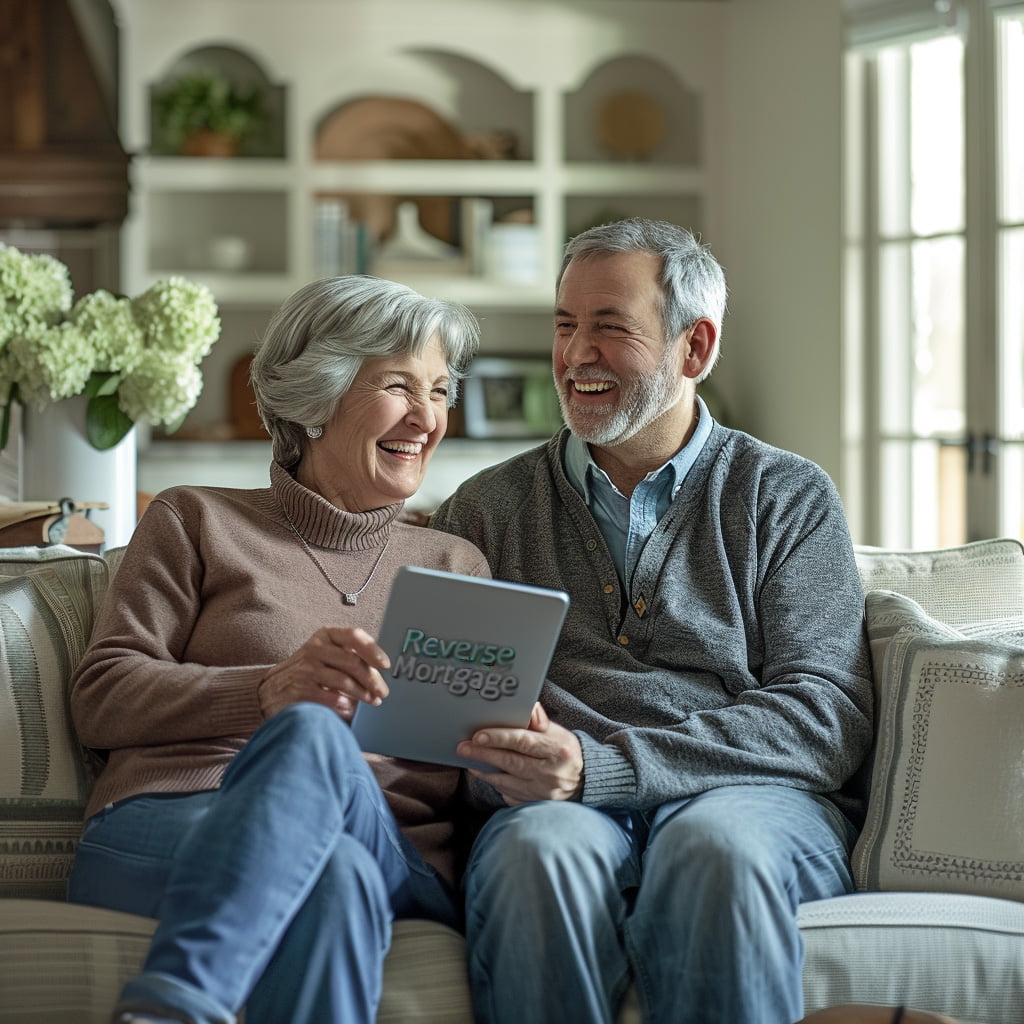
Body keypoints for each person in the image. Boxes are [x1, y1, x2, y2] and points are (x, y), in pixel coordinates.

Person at [429, 218, 874, 1024]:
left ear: (694, 349)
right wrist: (495, 754)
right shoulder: (486, 509)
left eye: (610, 327)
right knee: (535, 855)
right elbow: (445, 709)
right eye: (565, 325)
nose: (575, 355)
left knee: (712, 851)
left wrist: (601, 768)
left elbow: (824, 717)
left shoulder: (786, 497)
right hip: (551, 810)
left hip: (748, 801)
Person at [66, 275, 488, 1024]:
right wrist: (266, 690)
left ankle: (173, 1005)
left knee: (315, 743)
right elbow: (103, 697)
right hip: (171, 821)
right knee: (333, 873)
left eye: (441, 391)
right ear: (317, 400)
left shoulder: (454, 566)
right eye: (399, 386)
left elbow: (470, 770)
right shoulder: (196, 520)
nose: (428, 417)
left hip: (390, 843)